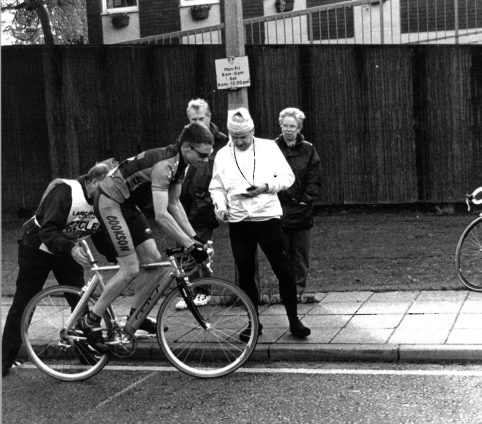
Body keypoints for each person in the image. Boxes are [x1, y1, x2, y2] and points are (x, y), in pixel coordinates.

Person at [78, 123, 214, 352]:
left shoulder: (183, 164)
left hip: (128, 204)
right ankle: (91, 319)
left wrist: (194, 238)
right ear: (187, 147)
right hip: (110, 202)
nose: (205, 160)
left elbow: (174, 203)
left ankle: (136, 319)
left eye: (209, 155)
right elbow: (161, 215)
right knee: (130, 268)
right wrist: (190, 246)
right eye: (202, 154)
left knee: (152, 262)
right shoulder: (165, 165)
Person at [2, 159, 117, 377]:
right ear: (93, 181)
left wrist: (116, 255)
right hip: (38, 248)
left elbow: (99, 231)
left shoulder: (103, 199)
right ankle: (4, 360)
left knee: (80, 300)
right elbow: (48, 229)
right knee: (24, 303)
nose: (110, 194)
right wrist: (71, 249)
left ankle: (85, 354)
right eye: (106, 188)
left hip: (66, 250)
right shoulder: (66, 191)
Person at [209, 107, 311, 340]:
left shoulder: (268, 147)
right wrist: (221, 207)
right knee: (245, 273)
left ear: (252, 131)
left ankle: (294, 321)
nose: (239, 142)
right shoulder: (223, 154)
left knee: (282, 270)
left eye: (243, 137)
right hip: (239, 221)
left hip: (267, 218)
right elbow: (216, 187)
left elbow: (287, 177)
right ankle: (253, 324)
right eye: (235, 138)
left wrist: (266, 187)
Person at [176, 99, 229, 310]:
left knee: (200, 247)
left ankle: (203, 291)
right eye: (193, 119)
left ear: (209, 117)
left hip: (204, 202)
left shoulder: (221, 142)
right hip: (184, 201)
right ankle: (188, 291)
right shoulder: (185, 139)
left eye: (201, 118)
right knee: (184, 248)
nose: (197, 122)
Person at [274, 108, 322, 300]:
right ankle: (285, 291)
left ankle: (298, 290)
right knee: (281, 254)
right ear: (280, 126)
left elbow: (314, 178)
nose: (288, 130)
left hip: (302, 209)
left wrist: (305, 200)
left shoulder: (309, 150)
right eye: (285, 126)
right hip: (279, 209)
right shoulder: (272, 148)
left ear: (299, 128)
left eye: (292, 126)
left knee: (300, 254)